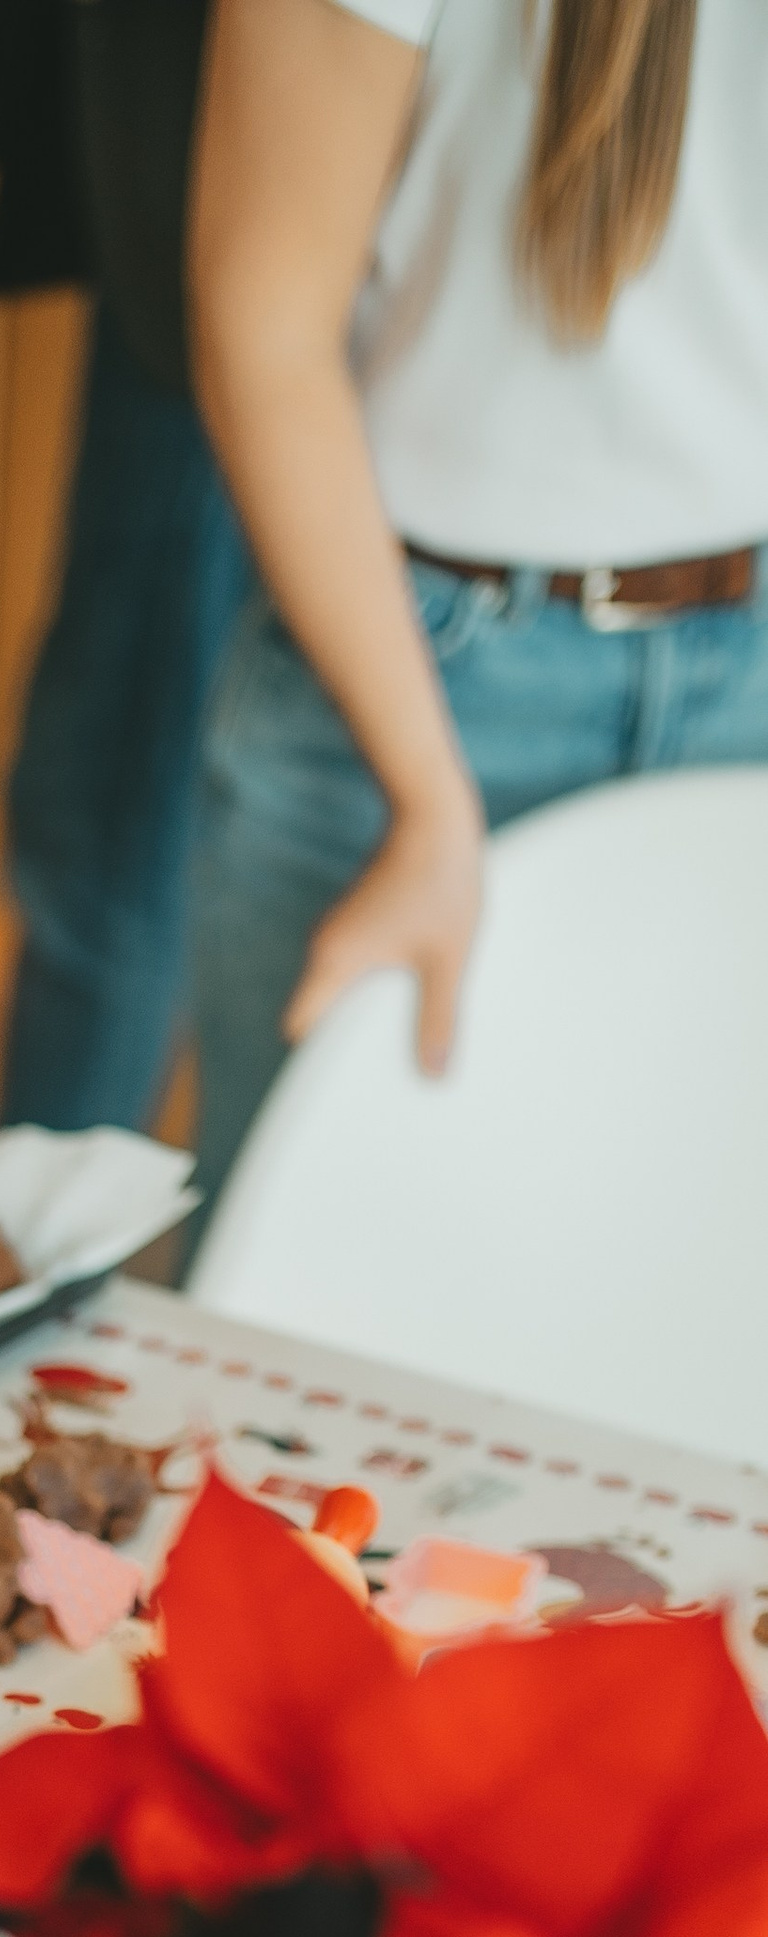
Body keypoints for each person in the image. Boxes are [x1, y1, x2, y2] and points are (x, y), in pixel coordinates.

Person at [188, 0, 768, 1208]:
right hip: (418, 679)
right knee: (316, 1332)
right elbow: (261, 320)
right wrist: (424, 796)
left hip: (746, 687)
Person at [0, 0, 250, 1133]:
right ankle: (20, 1236)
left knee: (138, 801)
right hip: (189, 212)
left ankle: (42, 1236)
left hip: (313, 233)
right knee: (114, 792)